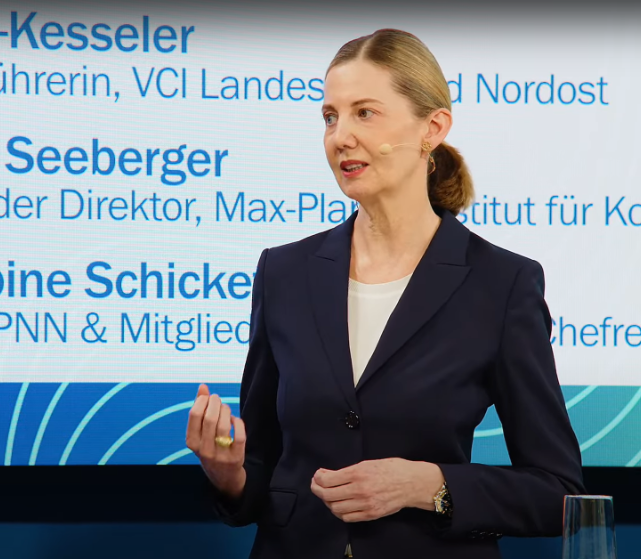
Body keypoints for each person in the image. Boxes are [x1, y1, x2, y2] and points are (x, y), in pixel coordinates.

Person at [185, 28, 585, 558]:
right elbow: (263, 474)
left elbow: (558, 493)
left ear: (432, 128)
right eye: (330, 117)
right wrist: (228, 473)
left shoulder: (501, 284)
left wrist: (430, 486)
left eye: (365, 113)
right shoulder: (283, 272)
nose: (340, 136)